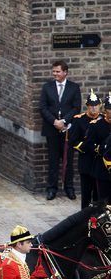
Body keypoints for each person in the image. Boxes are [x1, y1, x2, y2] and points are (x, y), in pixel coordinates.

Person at [39, 60, 81, 200]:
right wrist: (54, 121)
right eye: (54, 71)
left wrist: (64, 121)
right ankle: (52, 188)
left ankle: (69, 188)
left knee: (68, 160)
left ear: (65, 72)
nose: (55, 74)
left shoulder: (74, 88)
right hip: (51, 129)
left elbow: (76, 107)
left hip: (68, 130)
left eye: (57, 71)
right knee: (53, 160)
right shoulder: (47, 87)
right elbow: (43, 107)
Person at [70, 89, 102, 209]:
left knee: (98, 193)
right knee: (86, 193)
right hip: (86, 160)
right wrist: (88, 147)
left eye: (96, 106)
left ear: (100, 105)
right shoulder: (79, 120)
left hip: (99, 162)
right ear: (87, 106)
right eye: (91, 106)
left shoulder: (103, 119)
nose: (93, 108)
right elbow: (73, 141)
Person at [81, 95, 111, 203]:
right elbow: (89, 144)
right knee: (101, 200)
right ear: (105, 110)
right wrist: (100, 149)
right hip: (102, 167)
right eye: (109, 109)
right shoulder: (96, 125)